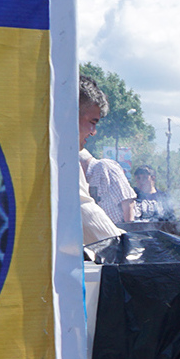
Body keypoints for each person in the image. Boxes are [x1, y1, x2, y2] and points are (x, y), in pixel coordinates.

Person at [75, 76, 124, 245]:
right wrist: (124, 245)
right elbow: (83, 210)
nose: (94, 132)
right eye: (92, 122)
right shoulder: (59, 157)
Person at [83, 138, 138, 229]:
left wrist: (128, 230)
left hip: (119, 229)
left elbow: (127, 200)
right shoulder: (87, 178)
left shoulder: (105, 166)